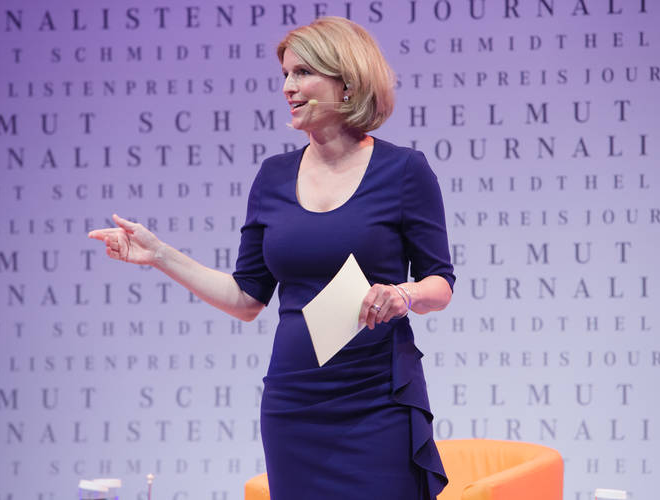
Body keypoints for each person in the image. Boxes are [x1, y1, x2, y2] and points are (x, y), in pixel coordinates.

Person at [89, 16, 455, 499]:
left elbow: (440, 284)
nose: (288, 87)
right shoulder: (273, 176)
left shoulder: (404, 170)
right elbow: (246, 299)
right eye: (285, 74)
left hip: (377, 400)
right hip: (294, 405)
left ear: (347, 81)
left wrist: (403, 294)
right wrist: (159, 254)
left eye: (303, 72)